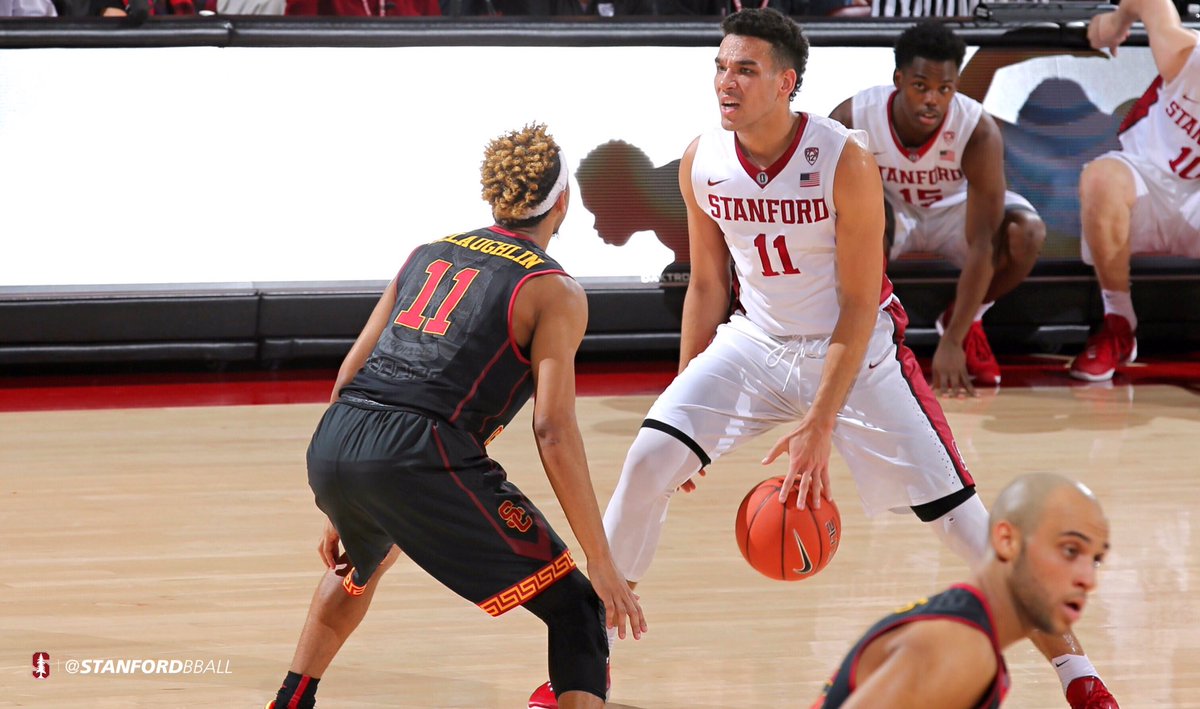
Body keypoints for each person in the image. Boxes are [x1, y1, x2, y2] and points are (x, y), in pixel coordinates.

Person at [530, 9, 1115, 709]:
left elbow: (860, 301)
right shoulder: (702, 158)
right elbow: (710, 284)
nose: (726, 81)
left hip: (859, 352)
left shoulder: (844, 160)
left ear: (787, 83)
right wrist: (682, 404)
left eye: (745, 69)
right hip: (754, 344)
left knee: (963, 521)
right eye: (720, 66)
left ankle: (1076, 671)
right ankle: (585, 667)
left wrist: (818, 425)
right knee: (649, 461)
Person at [268, 123, 646, 709]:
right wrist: (602, 561)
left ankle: (290, 700)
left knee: (364, 560)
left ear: (494, 197)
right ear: (562, 202)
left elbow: (348, 374)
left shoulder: (427, 253)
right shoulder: (554, 290)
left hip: (338, 437)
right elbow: (552, 430)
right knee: (577, 607)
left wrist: (346, 500)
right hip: (419, 451)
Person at [829, 21, 1047, 395]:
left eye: (944, 89)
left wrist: (953, 342)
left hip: (955, 209)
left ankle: (967, 322)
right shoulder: (853, 118)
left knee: (1027, 234)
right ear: (898, 79)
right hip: (893, 210)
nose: (933, 99)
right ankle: (866, 338)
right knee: (855, 222)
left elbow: (982, 242)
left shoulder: (977, 129)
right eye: (921, 87)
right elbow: (825, 209)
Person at [811, 473, 1111, 709]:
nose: (1087, 580)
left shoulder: (971, 633)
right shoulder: (959, 646)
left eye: (1095, 560)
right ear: (1007, 541)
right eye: (1070, 551)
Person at [1071, 0, 1200, 382]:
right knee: (1102, 177)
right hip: (1145, 179)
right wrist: (1117, 20)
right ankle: (1118, 322)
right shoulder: (1186, 56)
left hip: (1195, 200)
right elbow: (1153, 1)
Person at [575, 140, 691, 285]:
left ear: (618, 201)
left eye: (598, 212)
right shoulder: (666, 228)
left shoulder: (680, 190)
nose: (596, 225)